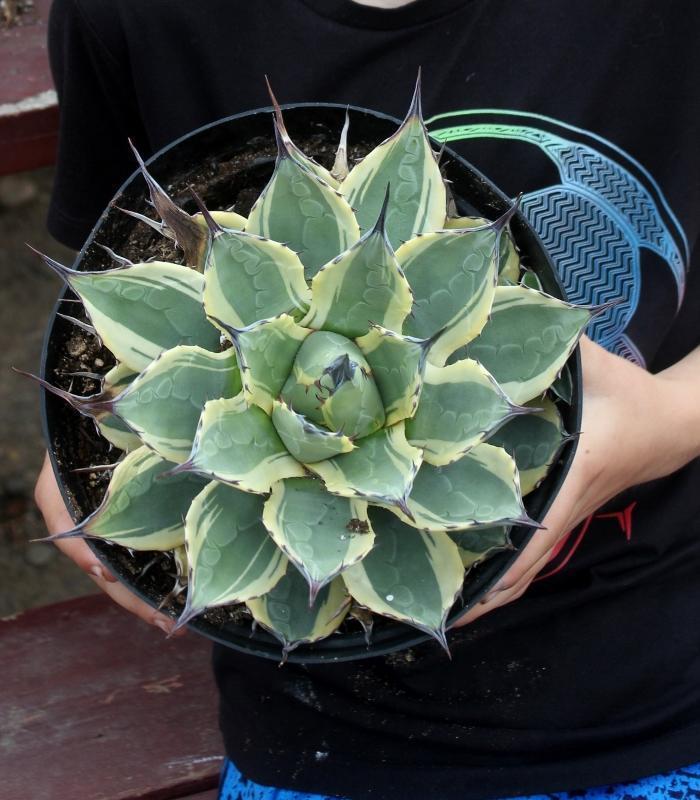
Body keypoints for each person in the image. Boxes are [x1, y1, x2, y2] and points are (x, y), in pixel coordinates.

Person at [37, 1, 700, 798]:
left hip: (660, 695)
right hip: (321, 730)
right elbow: (122, 289)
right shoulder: (133, 17)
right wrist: (92, 444)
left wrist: (666, 422)